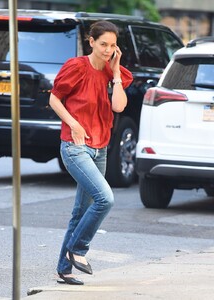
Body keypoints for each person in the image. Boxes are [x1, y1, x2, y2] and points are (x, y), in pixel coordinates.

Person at [49, 20, 133, 285]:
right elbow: (54, 98)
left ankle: (64, 268)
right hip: (76, 148)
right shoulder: (77, 66)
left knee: (80, 211)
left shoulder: (111, 71)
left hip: (101, 149)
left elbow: (118, 106)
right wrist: (73, 123)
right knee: (105, 199)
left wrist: (116, 71)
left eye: (112, 45)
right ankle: (79, 250)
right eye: (103, 44)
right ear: (91, 41)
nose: (107, 50)